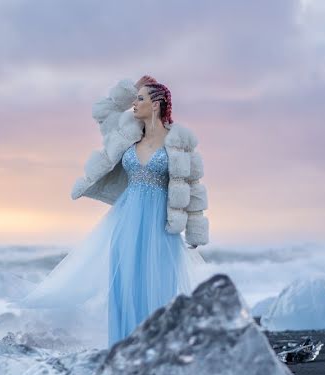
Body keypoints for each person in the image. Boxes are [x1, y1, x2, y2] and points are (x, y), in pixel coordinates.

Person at [18, 76, 209, 348]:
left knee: (157, 293)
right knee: (125, 290)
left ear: (157, 104)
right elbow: (103, 111)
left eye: (140, 98)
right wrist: (131, 88)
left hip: (160, 228)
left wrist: (195, 228)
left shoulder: (180, 143)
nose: (134, 103)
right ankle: (124, 352)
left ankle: (156, 354)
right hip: (126, 223)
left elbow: (193, 187)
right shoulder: (126, 135)